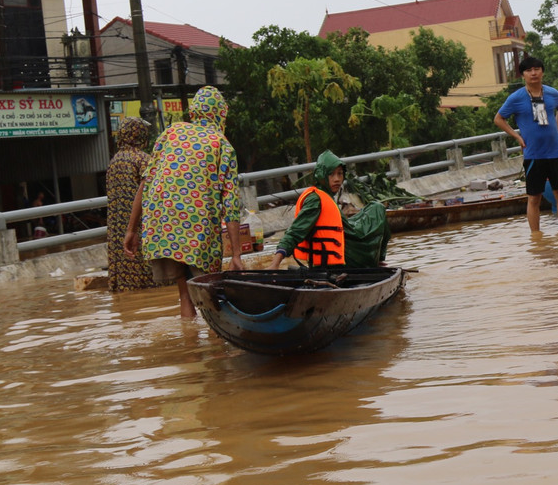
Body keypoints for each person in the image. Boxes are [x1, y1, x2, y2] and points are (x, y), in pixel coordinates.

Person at [124, 86, 246, 319]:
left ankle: (189, 342)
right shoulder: (221, 145)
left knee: (185, 294)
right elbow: (230, 206)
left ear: (195, 111)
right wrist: (236, 255)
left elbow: (145, 183)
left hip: (161, 225)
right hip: (197, 229)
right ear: (221, 113)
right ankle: (212, 350)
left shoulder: (170, 133)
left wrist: (131, 230)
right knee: (210, 297)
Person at [271, 150, 390, 268]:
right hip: (339, 262)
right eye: (331, 174)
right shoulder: (316, 200)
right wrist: (275, 264)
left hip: (336, 258)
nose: (337, 179)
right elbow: (295, 232)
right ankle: (376, 260)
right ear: (322, 175)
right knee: (378, 209)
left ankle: (378, 259)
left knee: (376, 208)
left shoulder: (326, 195)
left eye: (340, 173)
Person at [494, 55, 558, 232]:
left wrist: (556, 128)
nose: (533, 73)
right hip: (534, 154)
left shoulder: (552, 93)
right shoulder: (516, 98)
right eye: (529, 70)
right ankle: (536, 237)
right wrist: (517, 137)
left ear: (542, 72)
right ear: (523, 75)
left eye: (537, 69)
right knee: (534, 197)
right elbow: (498, 119)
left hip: (556, 152)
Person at [105, 116, 156, 292]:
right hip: (138, 232)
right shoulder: (144, 160)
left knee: (126, 288)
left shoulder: (114, 161)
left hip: (118, 234)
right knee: (149, 285)